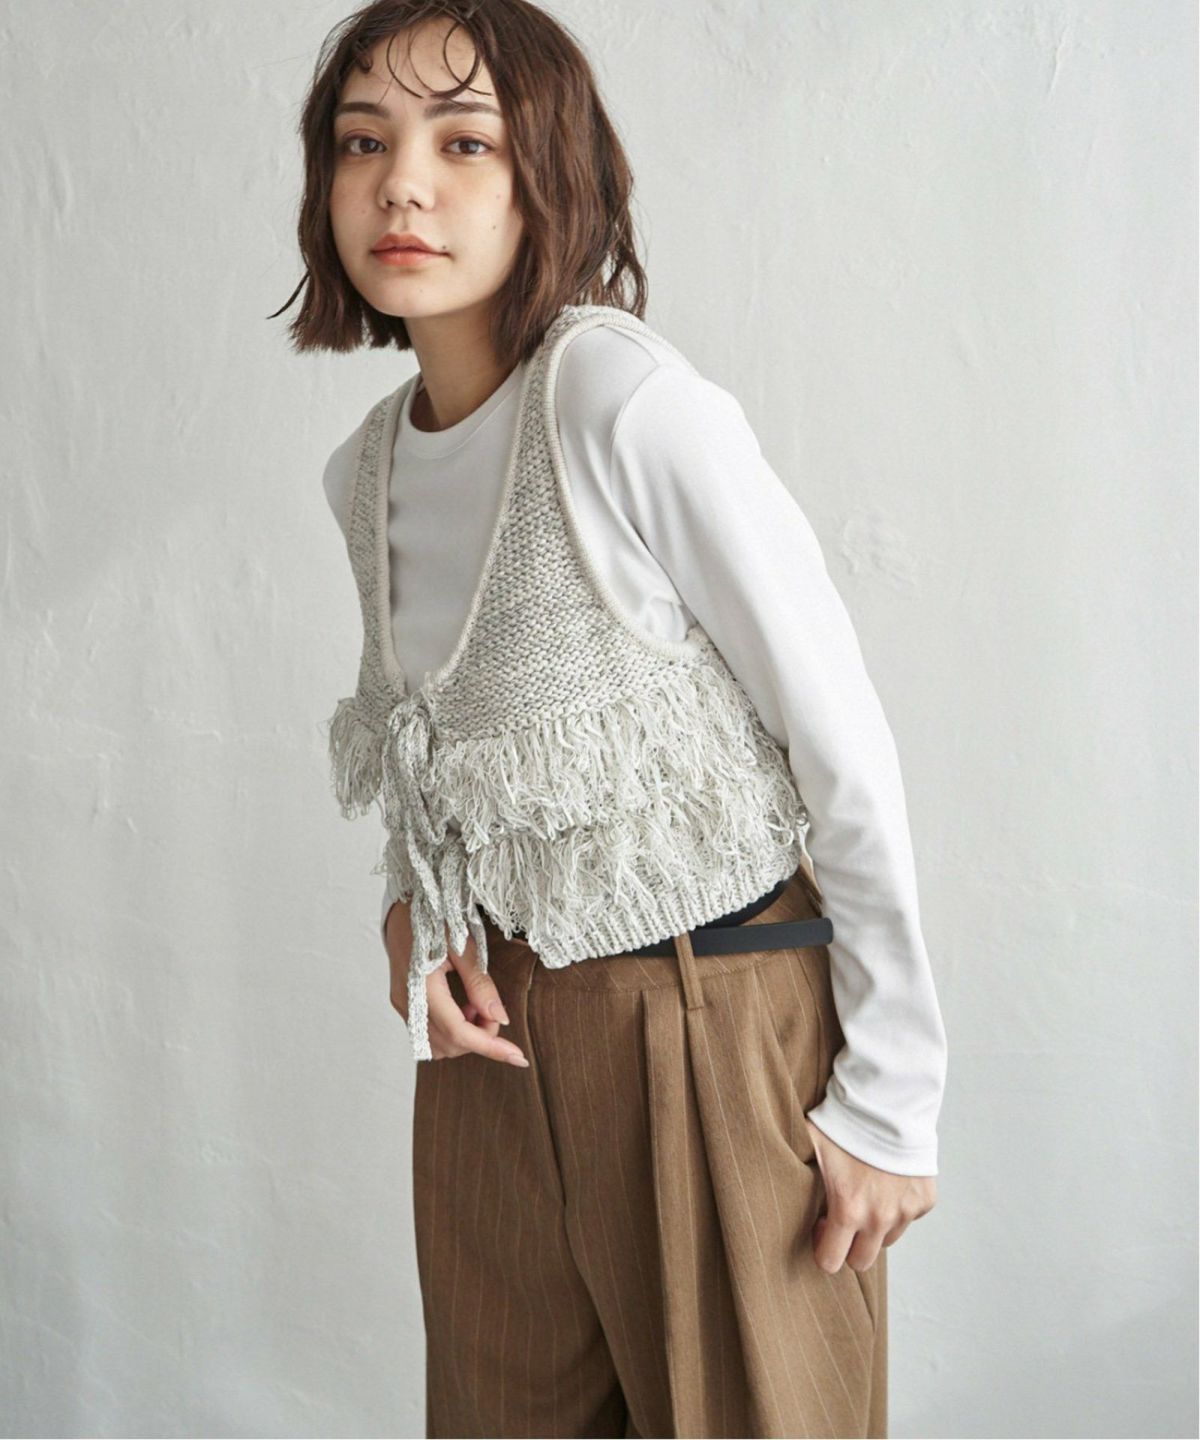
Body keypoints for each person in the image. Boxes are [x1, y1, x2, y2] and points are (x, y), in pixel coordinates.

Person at [276, 3, 948, 1435]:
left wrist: (895, 1098)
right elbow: (438, 759)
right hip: (492, 1068)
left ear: (548, 177)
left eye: (464, 143)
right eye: (362, 143)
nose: (402, 185)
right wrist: (417, 923)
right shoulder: (365, 472)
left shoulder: (619, 401)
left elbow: (838, 735)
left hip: (709, 1021)